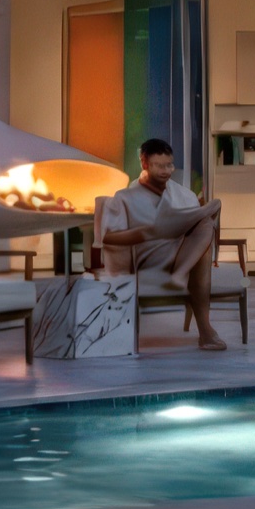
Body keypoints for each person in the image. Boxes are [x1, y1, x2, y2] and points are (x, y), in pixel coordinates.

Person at [101, 137, 230, 351]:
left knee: (206, 223)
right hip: (146, 257)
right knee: (202, 252)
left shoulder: (184, 195)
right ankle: (206, 331)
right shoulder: (125, 197)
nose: (166, 171)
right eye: (159, 166)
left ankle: (181, 274)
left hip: (179, 253)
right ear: (144, 163)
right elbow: (109, 237)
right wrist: (145, 232)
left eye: (169, 165)